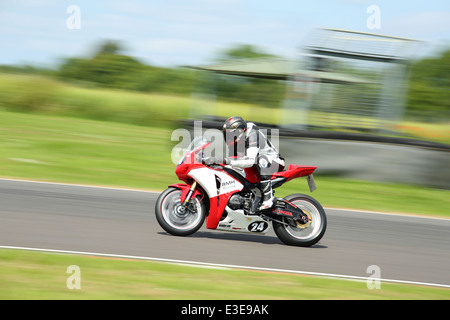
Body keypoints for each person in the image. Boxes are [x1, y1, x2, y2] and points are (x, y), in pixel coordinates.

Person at [204, 116, 285, 210]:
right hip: (255, 164)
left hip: (274, 162)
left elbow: (250, 161)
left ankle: (268, 197)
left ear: (240, 132)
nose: (228, 137)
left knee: (261, 159)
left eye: (231, 134)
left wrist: (225, 160)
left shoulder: (253, 133)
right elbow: (234, 161)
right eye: (226, 134)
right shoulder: (236, 141)